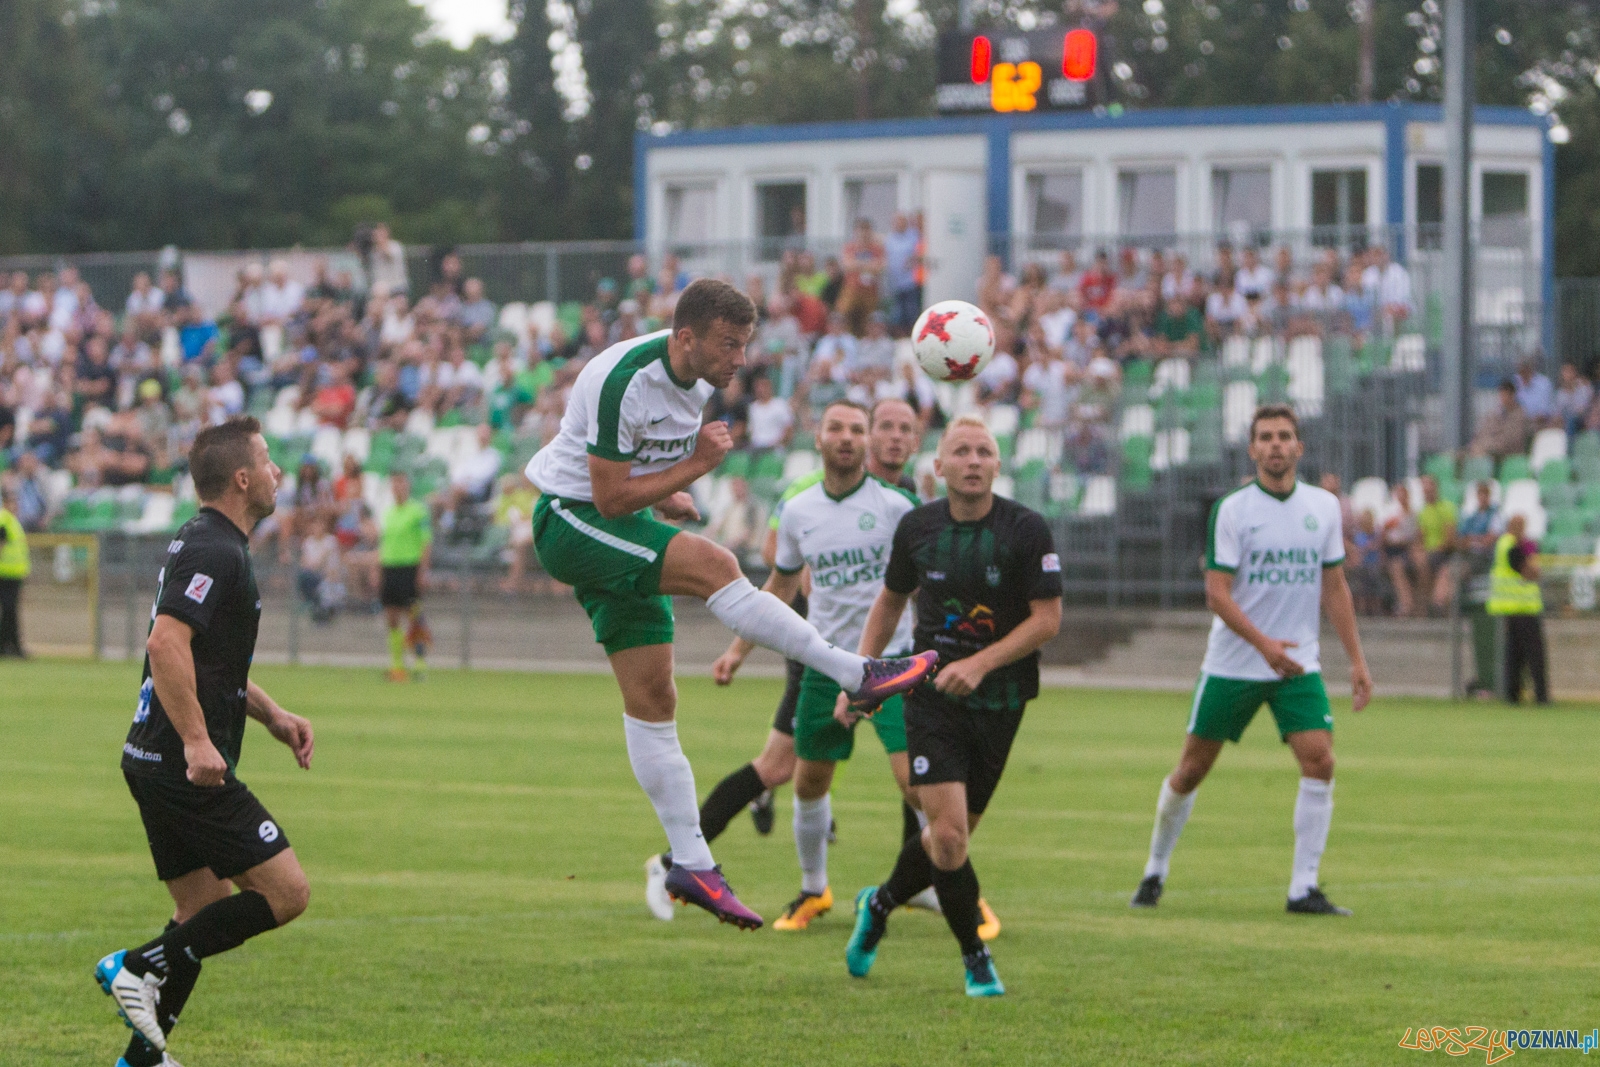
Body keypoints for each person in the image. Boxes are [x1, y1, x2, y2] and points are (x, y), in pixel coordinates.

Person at [524, 280, 938, 930]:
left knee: (655, 698)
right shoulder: (623, 379)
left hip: (606, 525)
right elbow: (603, 497)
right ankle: (856, 671)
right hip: (569, 522)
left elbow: (633, 476)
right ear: (686, 336)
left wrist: (665, 498)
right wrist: (691, 469)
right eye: (730, 343)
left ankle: (688, 861)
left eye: (744, 344)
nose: (741, 357)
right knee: (717, 562)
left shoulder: (696, 384)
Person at [94, 417, 315, 1065]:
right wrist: (196, 741)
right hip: (176, 762)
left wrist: (270, 714)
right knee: (285, 892)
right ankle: (135, 964)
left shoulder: (207, 540)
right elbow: (165, 643)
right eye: (269, 461)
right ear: (242, 478)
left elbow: (209, 662)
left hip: (150, 758)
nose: (278, 473)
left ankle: (141, 1060)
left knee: (203, 906)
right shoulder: (217, 549)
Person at [675, 399, 943, 914]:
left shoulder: (896, 506)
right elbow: (780, 584)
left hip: (893, 663)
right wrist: (737, 650)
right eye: (836, 428)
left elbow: (922, 585)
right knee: (808, 778)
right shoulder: (799, 510)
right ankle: (814, 889)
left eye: (856, 429)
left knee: (916, 782)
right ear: (816, 439)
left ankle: (950, 883)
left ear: (866, 443)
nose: (847, 437)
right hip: (826, 666)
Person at [844, 415, 1063, 998]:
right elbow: (889, 603)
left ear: (997, 464)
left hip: (1003, 699)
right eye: (960, 452)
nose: (972, 461)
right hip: (931, 697)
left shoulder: (1027, 529)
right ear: (937, 467)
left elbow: (1048, 620)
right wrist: (864, 676)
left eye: (983, 451)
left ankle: (880, 904)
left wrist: (982, 663)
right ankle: (976, 961)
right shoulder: (917, 528)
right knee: (949, 837)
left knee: (948, 839)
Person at [1130, 404, 1372, 917]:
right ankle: (1155, 868)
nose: (1276, 445)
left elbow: (1334, 586)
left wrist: (1356, 660)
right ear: (1252, 448)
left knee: (1320, 759)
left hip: (1298, 662)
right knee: (1192, 769)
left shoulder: (1323, 507)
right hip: (1236, 661)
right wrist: (1264, 646)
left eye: (1285, 436)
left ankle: (1303, 887)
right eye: (1266, 437)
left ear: (1299, 447)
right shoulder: (1233, 510)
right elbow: (1217, 595)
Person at [378, 470, 433, 681]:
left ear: (407, 486)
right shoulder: (388, 513)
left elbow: (426, 542)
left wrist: (422, 570)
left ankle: (419, 663)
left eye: (401, 484)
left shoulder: (418, 511)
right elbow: (385, 544)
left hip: (409, 567)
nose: (397, 488)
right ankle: (397, 665)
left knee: (414, 617)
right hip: (390, 567)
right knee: (392, 617)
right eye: (394, 485)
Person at [1488, 513, 1548, 704]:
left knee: (1514, 654)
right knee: (1534, 655)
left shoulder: (1503, 544)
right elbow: (1528, 572)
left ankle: (1512, 695)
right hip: (1523, 608)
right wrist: (1534, 566)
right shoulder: (1513, 546)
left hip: (1510, 608)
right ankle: (1541, 697)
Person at [1416, 475, 1459, 614]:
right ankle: (1425, 606)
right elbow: (1421, 538)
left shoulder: (1447, 508)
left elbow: (1449, 539)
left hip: (1445, 553)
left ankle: (1437, 604)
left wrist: (1433, 550)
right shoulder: (1423, 512)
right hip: (1430, 553)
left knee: (1441, 569)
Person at [1381, 482, 1422, 617]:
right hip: (1393, 550)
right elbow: (1385, 534)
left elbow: (1416, 536)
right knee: (1396, 567)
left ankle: (1415, 605)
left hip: (1408, 549)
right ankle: (1406, 604)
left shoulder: (1413, 514)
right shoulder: (1393, 514)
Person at [1469, 381, 1531, 461]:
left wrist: (1487, 447)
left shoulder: (1520, 417)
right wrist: (1478, 446)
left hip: (1505, 457)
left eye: (1505, 395)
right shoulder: (1494, 415)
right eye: (1501, 395)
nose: (1502, 398)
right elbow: (1480, 434)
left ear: (1512, 396)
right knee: (1459, 457)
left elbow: (1511, 441)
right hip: (1487, 452)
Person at [0, 487, 29, 656]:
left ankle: (9, 646)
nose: (16, 505)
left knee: (10, 611)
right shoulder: (4, 519)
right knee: (9, 611)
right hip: (5, 573)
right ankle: (11, 647)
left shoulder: (11, 520)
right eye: (13, 501)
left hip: (13, 573)